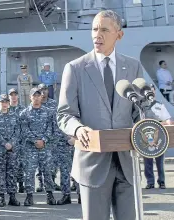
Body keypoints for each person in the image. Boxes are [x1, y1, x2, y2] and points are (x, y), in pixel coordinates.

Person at [57, 10, 144, 220]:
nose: (98, 35)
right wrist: (78, 129)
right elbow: (64, 114)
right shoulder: (75, 68)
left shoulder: (133, 66)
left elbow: (139, 110)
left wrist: (151, 123)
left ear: (119, 35)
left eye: (104, 29)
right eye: (94, 29)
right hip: (92, 163)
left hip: (127, 163)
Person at [19, 88, 56, 206]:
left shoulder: (49, 112)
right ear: (30, 97)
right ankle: (29, 196)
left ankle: (50, 195)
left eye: (38, 95)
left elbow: (51, 129)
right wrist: (35, 141)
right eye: (34, 96)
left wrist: (43, 140)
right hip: (30, 148)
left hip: (45, 147)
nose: (36, 98)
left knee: (48, 172)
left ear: (42, 97)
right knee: (29, 172)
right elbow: (24, 130)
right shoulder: (24, 113)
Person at [0, 94, 21, 207]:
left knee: (12, 173)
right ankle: (1, 197)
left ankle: (12, 197)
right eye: (2, 102)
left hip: (12, 149)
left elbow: (18, 131)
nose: (5, 104)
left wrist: (11, 143)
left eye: (6, 101)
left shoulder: (15, 116)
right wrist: (4, 143)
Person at [141, 84, 171, 189]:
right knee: (147, 161)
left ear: (155, 92)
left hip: (158, 136)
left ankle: (161, 182)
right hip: (145, 136)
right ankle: (150, 182)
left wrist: (157, 125)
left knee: (160, 161)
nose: (151, 93)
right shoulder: (141, 106)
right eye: (149, 91)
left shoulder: (160, 105)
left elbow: (168, 121)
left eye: (152, 91)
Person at [35, 84, 61, 192]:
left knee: (53, 161)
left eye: (45, 89)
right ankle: (41, 183)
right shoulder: (36, 103)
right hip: (40, 137)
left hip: (53, 137)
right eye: (41, 90)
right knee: (40, 161)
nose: (43, 92)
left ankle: (52, 181)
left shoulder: (53, 103)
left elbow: (58, 119)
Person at [7, 88, 26, 193]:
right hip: (10, 142)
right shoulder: (6, 109)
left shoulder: (23, 109)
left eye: (15, 95)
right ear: (9, 97)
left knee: (21, 163)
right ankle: (11, 185)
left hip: (21, 141)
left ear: (18, 96)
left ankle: (21, 184)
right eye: (11, 95)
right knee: (11, 164)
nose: (13, 97)